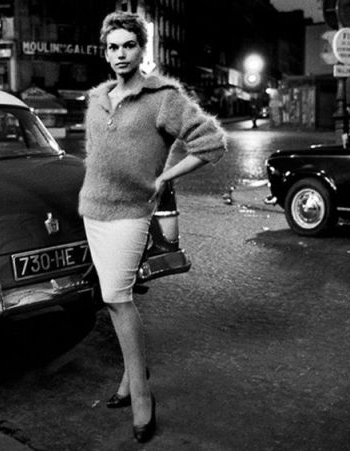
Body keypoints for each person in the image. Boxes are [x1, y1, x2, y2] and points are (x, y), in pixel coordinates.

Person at [78, 11, 227, 443]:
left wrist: (166, 177)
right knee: (112, 301)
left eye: (128, 45)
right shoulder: (98, 98)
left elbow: (211, 142)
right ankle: (131, 375)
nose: (120, 54)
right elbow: (96, 157)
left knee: (117, 298)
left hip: (130, 213)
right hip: (93, 210)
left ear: (142, 50)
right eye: (113, 47)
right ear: (105, 53)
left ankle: (141, 393)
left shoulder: (162, 97)